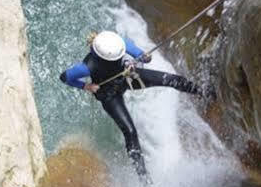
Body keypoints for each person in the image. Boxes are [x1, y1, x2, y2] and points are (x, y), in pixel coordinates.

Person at [59, 31, 201, 179]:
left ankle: (202, 91)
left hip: (126, 77)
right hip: (109, 94)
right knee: (130, 132)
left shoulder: (118, 43)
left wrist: (144, 57)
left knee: (171, 79)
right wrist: (86, 87)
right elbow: (65, 76)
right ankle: (143, 178)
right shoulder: (88, 66)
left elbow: (142, 56)